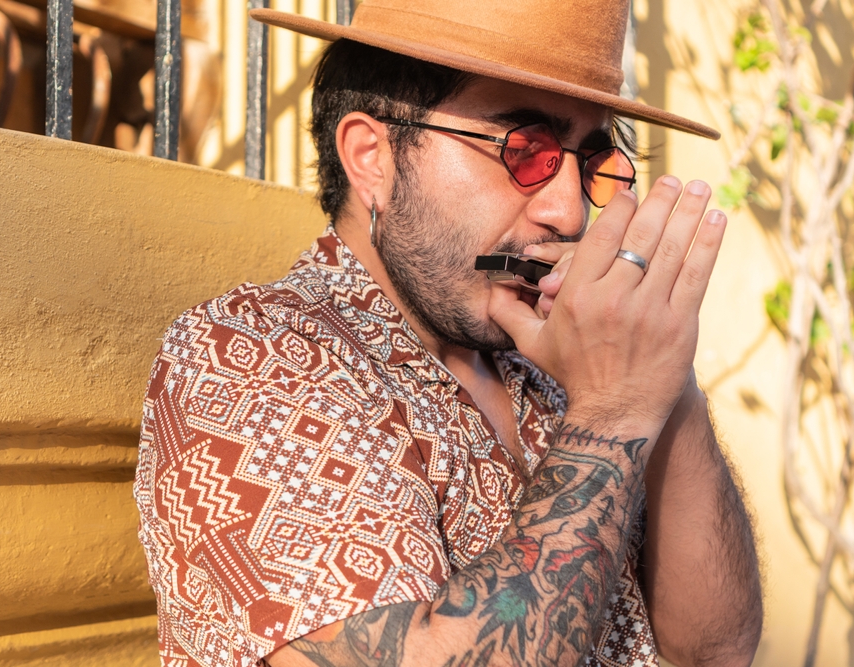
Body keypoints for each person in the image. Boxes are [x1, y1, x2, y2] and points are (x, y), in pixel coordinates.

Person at [134, 1, 763, 666]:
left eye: (592, 161)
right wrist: (612, 413)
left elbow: (716, 649)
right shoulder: (249, 356)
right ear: (372, 157)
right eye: (525, 150)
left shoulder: (563, 357)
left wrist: (665, 371)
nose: (570, 209)